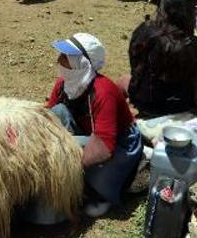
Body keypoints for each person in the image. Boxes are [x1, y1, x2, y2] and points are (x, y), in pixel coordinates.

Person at [46, 33, 143, 218]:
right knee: (57, 112)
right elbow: (49, 113)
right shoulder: (64, 84)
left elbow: (104, 147)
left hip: (117, 143)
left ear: (82, 62)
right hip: (89, 134)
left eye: (66, 56)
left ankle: (101, 194)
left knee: (89, 176)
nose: (59, 60)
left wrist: (65, 161)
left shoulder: (103, 91)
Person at [126, 0, 197, 116]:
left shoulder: (144, 30)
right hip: (179, 106)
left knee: (124, 80)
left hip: (144, 101)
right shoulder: (194, 44)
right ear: (189, 15)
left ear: (162, 10)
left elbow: (133, 61)